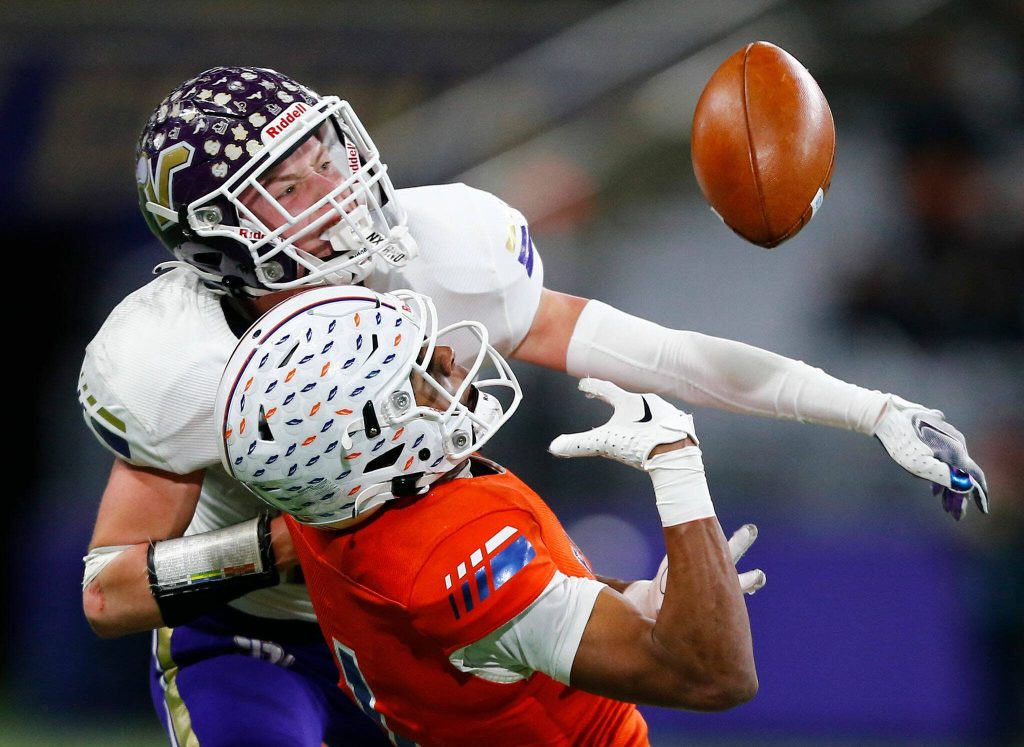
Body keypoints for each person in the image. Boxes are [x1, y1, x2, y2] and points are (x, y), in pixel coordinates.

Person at [78, 65, 987, 745]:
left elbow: (663, 354)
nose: (335, 185)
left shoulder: (436, 250)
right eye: (288, 185)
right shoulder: (176, 361)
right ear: (225, 244)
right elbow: (109, 589)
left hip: (426, 610)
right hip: (257, 637)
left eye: (324, 152)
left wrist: (867, 408)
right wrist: (296, 544)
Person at [216, 284, 759, 745]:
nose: (448, 360)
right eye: (417, 371)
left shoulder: (338, 502)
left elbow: (518, 617)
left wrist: (627, 600)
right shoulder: (446, 550)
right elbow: (715, 676)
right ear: (368, 440)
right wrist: (676, 462)